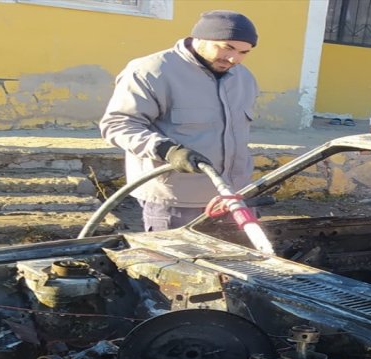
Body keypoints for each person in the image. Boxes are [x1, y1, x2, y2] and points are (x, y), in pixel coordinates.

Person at [100, 10, 259, 232]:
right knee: (178, 255)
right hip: (176, 200)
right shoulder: (151, 71)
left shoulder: (244, 78)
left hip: (235, 199)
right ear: (200, 38)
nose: (234, 59)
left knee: (242, 255)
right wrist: (168, 150)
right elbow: (118, 125)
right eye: (227, 47)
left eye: (244, 52)